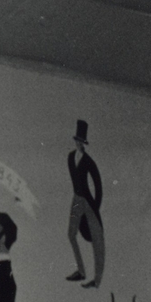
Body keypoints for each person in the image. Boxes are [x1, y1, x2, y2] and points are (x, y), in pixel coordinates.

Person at [66, 119, 105, 289]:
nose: (78, 143)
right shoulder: (70, 158)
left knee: (97, 239)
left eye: (81, 141)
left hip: (88, 202)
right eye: (77, 140)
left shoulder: (89, 161)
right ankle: (81, 271)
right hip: (76, 200)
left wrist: (95, 207)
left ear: (84, 143)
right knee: (71, 234)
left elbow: (98, 185)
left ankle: (96, 280)